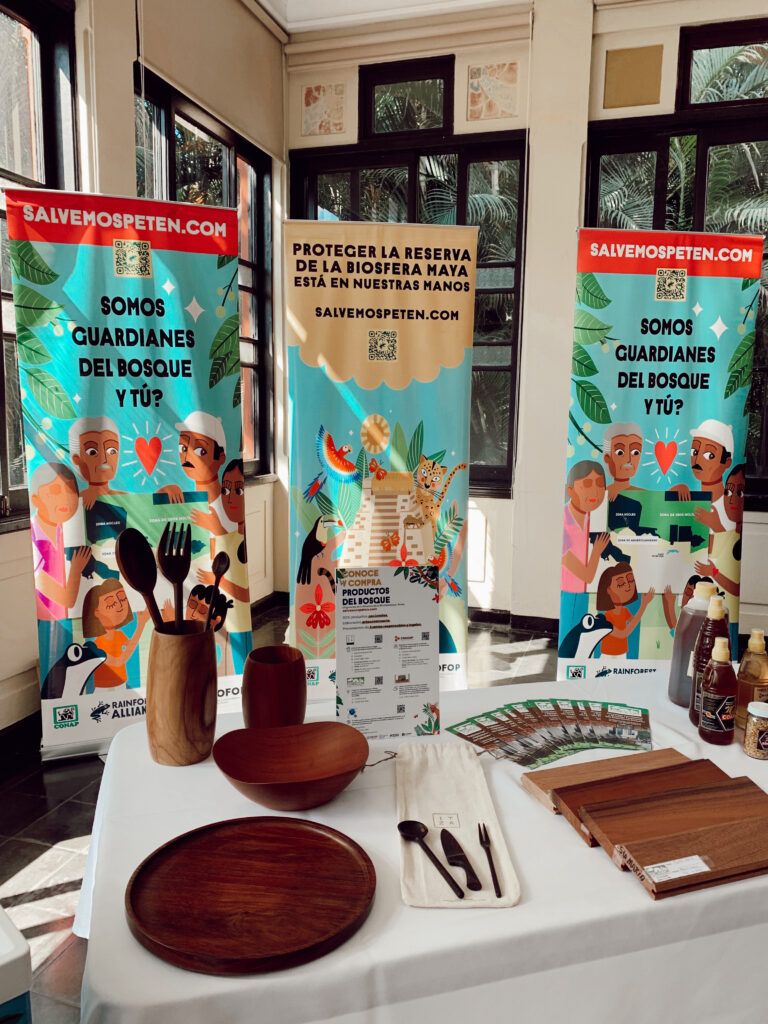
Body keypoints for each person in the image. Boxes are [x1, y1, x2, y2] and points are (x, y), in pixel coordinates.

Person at [30, 462, 91, 620]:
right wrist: (76, 568)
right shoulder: (36, 540)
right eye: (55, 490)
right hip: (52, 624)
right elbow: (66, 600)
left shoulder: (63, 529)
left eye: (70, 490)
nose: (65, 497)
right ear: (36, 500)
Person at [158, 412, 238, 530]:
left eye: (200, 451)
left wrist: (218, 530)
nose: (186, 458)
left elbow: (236, 541)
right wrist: (161, 494)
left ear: (220, 457)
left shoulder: (231, 503)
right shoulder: (184, 500)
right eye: (183, 448)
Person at [561, 461, 610, 627]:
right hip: (570, 595)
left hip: (589, 594)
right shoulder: (564, 522)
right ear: (570, 490)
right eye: (587, 484)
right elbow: (586, 575)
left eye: (600, 484)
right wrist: (597, 551)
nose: (595, 491)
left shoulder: (594, 518)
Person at [82, 579, 150, 689]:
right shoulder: (95, 646)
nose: (119, 605)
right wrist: (141, 625)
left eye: (122, 598)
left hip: (122, 685)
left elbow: (131, 645)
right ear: (96, 611)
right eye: (110, 603)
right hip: (103, 690)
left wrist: (141, 624)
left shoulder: (120, 635)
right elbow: (118, 661)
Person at [670, 419, 735, 532]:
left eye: (709, 455)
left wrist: (716, 526)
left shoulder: (731, 505)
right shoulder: (692, 500)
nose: (697, 460)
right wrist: (670, 496)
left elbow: (731, 543)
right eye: (694, 452)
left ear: (727, 462)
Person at [596, 563, 655, 659]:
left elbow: (634, 621)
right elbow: (623, 633)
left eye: (631, 580)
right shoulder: (607, 617)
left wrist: (645, 605)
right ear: (608, 590)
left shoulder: (625, 611)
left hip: (622, 654)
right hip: (608, 656)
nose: (628, 586)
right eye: (620, 583)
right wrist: (643, 605)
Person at [69, 416, 124, 510]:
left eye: (112, 451)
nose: (104, 460)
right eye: (92, 452)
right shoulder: (76, 501)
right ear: (76, 459)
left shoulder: (124, 498)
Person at [603, 422, 644, 502]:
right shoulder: (600, 495)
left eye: (635, 452)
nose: (628, 459)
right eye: (620, 452)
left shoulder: (644, 494)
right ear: (607, 458)